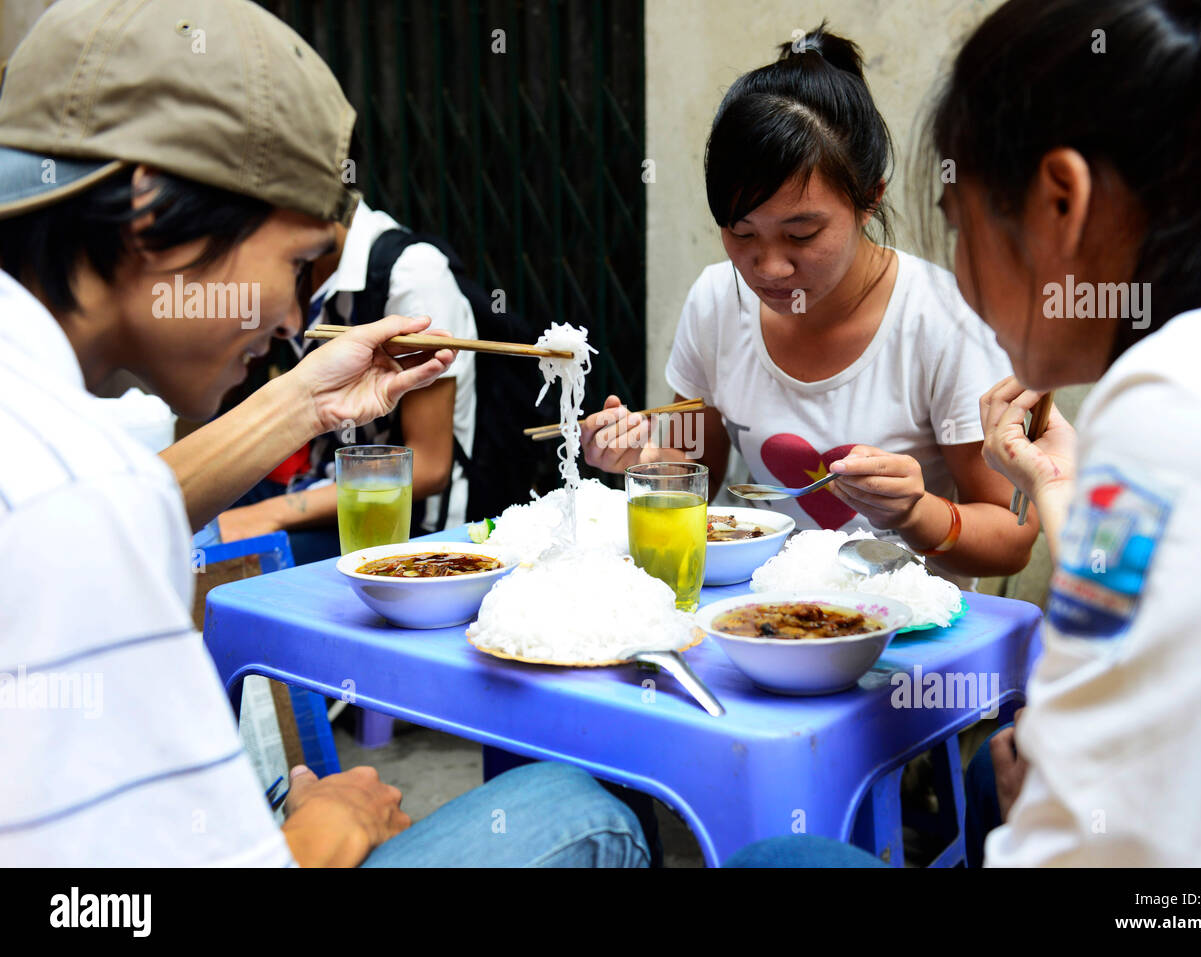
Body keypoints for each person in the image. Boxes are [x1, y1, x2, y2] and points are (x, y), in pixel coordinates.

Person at [0, 0, 646, 868]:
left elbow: (134, 500)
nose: (295, 319)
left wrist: (306, 402)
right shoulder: (70, 492)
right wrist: (322, 831)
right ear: (153, 214)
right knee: (575, 809)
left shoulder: (49, 428)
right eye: (298, 262)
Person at [728, 0, 1201, 867]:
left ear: (1060, 201)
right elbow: (1142, 594)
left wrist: (1041, 791)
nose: (773, 267)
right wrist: (1059, 486)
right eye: (743, 236)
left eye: (958, 225)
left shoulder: (1174, 404)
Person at [581, 24, 1037, 586]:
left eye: (801, 234)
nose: (769, 268)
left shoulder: (944, 320)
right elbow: (696, 470)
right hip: (754, 620)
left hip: (901, 642)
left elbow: (1013, 535)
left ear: (870, 198)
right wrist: (642, 463)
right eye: (741, 233)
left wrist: (916, 513)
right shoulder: (716, 300)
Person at [214, 196, 478, 565]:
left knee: (229, 562)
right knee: (198, 529)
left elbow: (431, 468)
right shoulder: (299, 264)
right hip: (319, 487)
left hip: (404, 523)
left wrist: (269, 514)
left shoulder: (413, 274)